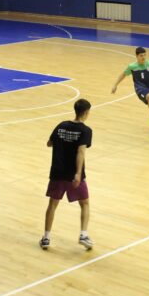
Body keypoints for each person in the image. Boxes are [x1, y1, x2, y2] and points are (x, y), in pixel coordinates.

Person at [42, 98, 93, 251]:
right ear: (86, 112)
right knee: (84, 203)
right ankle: (83, 235)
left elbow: (49, 143)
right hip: (73, 175)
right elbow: (81, 152)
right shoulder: (85, 131)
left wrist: (62, 142)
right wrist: (78, 174)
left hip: (57, 172)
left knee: (52, 204)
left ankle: (46, 238)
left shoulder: (61, 126)